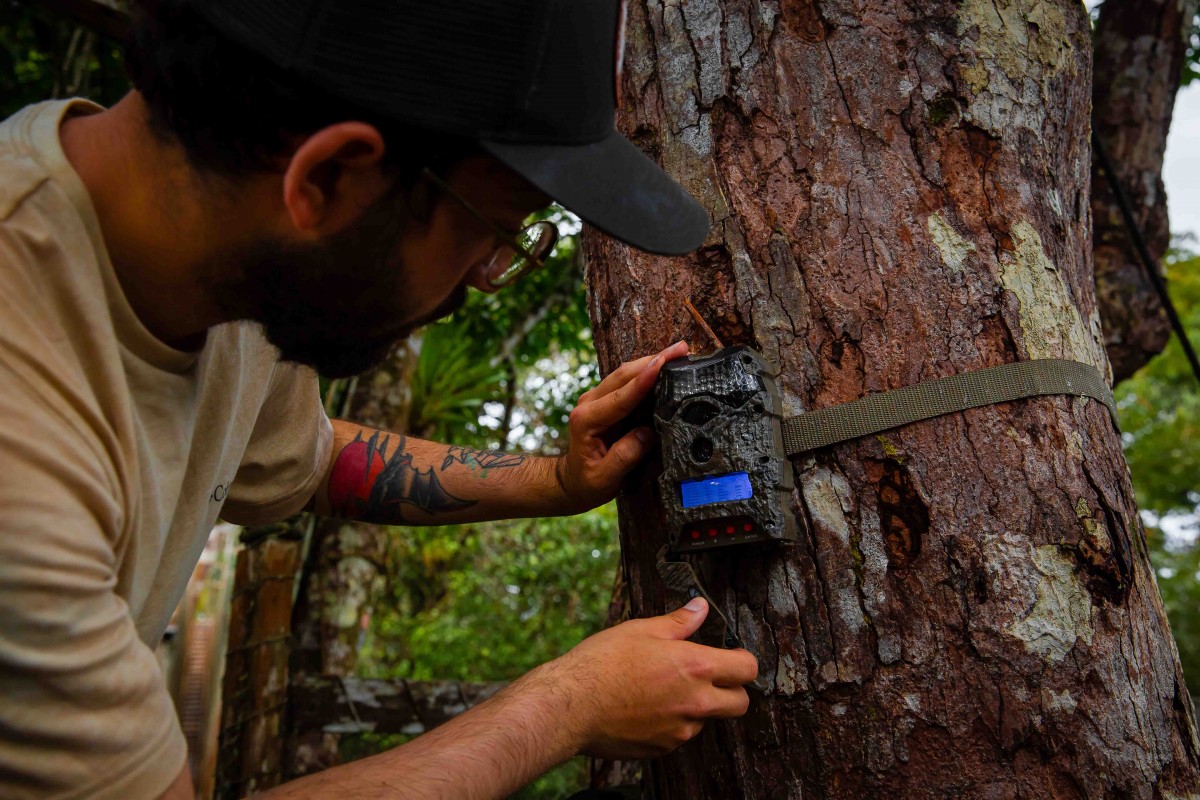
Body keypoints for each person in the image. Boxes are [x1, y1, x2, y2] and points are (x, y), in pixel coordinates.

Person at [0, 0, 760, 798]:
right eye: (495, 229)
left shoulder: (224, 260)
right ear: (328, 176)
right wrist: (568, 707)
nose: (485, 278)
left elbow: (309, 460)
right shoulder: (24, 454)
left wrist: (555, 481)